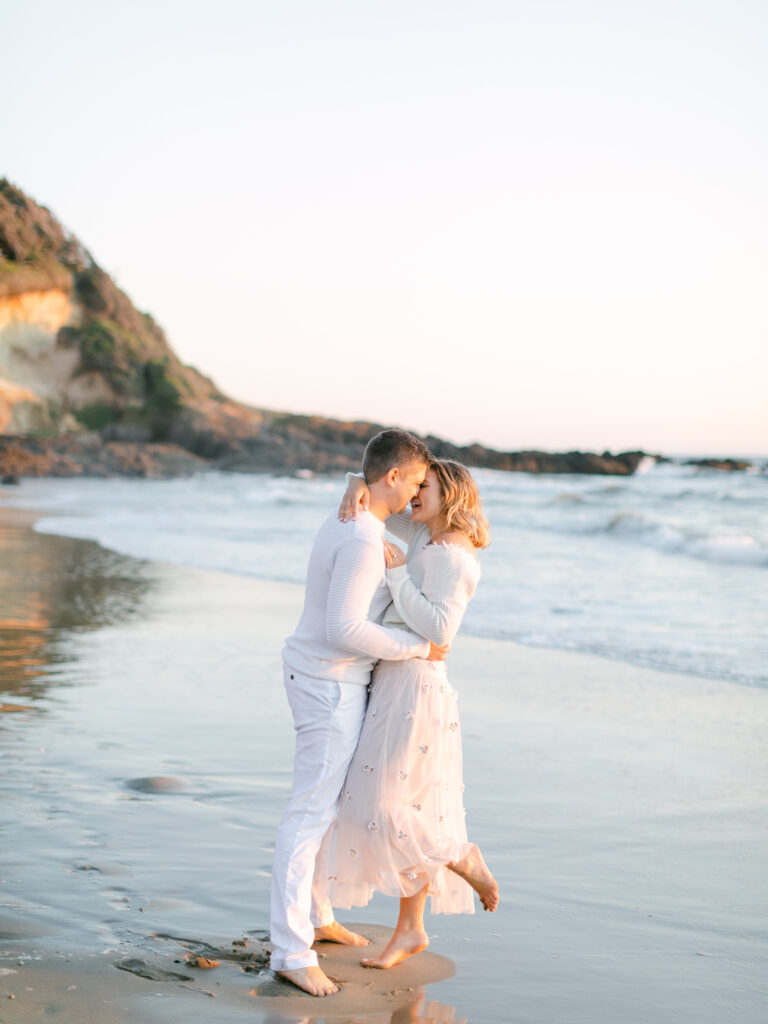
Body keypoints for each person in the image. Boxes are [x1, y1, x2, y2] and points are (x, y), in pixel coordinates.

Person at [269, 428, 451, 997]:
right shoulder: (363, 539)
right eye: (416, 479)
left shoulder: (357, 518)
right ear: (393, 477)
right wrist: (419, 648)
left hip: (324, 678)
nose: (420, 489)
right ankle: (291, 951)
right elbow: (343, 628)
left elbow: (393, 499)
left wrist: (355, 480)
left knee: (323, 811)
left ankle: (317, 917)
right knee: (308, 816)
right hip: (329, 684)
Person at [318, 459, 499, 969]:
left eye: (427, 488)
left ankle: (459, 855)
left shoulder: (456, 557)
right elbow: (382, 498)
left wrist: (397, 576)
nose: (415, 493)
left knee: (384, 808)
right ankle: (411, 929)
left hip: (417, 689)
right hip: (393, 681)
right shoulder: (420, 533)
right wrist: (356, 482)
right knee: (406, 805)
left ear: (453, 496)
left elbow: (440, 631)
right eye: (417, 485)